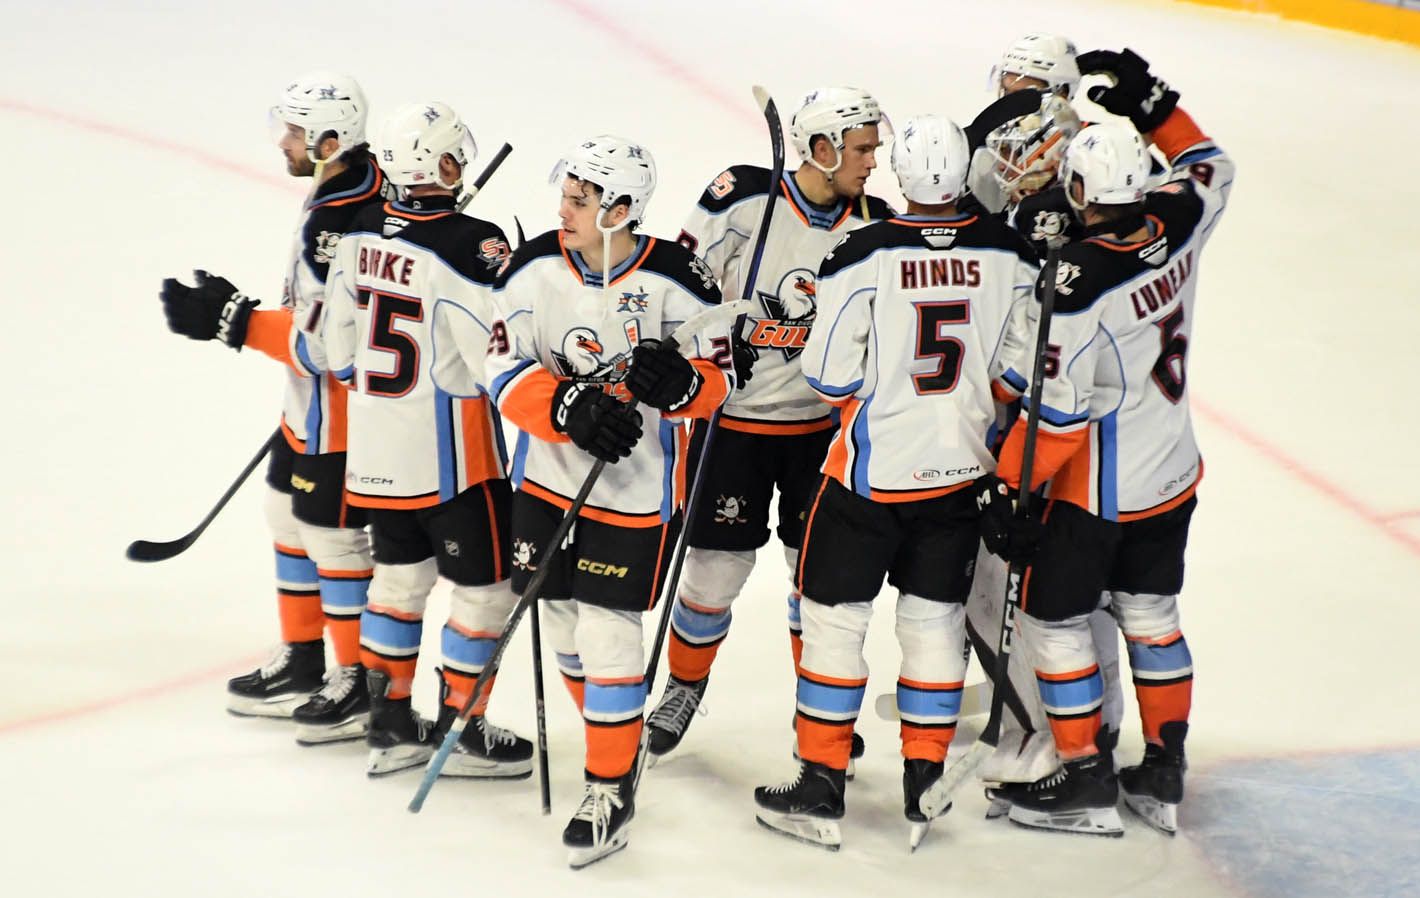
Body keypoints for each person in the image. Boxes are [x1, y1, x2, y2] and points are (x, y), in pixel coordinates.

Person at [752, 115, 1039, 850]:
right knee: (933, 623)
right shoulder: (1012, 252)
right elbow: (1019, 370)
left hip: (869, 480)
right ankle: (925, 777)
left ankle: (821, 781)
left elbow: (827, 374)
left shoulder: (863, 251)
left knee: (833, 623)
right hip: (962, 477)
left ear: (901, 175)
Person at [986, 49, 1234, 836]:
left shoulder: (1078, 279)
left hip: (1096, 490)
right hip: (1174, 471)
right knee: (1152, 612)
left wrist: (1011, 487)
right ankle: (1163, 767)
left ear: (1081, 192)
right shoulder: (1178, 218)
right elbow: (1210, 165)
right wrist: (1156, 107)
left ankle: (1085, 773)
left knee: (1053, 620)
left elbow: (1058, 414)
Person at [482, 136, 733, 867]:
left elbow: (724, 375)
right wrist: (564, 408)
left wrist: (681, 387)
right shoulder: (532, 268)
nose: (563, 210)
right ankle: (616, 736)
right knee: (560, 622)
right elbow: (497, 365)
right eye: (565, 196)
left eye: (580, 200)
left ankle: (609, 784)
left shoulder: (678, 278)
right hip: (544, 481)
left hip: (635, 491)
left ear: (621, 210)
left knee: (609, 630)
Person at [644, 88, 894, 769]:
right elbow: (682, 287)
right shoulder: (741, 197)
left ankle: (816, 711)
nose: (874, 161)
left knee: (815, 580)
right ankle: (683, 687)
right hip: (733, 425)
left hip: (823, 434)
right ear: (822, 149)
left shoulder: (876, 224)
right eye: (862, 149)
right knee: (713, 574)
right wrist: (715, 346)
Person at [158, 73, 386, 744]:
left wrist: (237, 322)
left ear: (331, 141)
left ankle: (355, 681)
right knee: (284, 513)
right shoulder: (352, 184)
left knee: (334, 540)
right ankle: (303, 658)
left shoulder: (340, 220)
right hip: (308, 409)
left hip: (344, 418)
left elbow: (329, 346)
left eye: (294, 132)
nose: (282, 142)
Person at [317, 101, 532, 778]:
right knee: (487, 591)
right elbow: (490, 358)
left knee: (398, 581)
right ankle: (461, 730)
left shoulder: (356, 230)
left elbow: (336, 353)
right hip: (454, 463)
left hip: (375, 455)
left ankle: (388, 725)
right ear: (442, 164)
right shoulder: (472, 242)